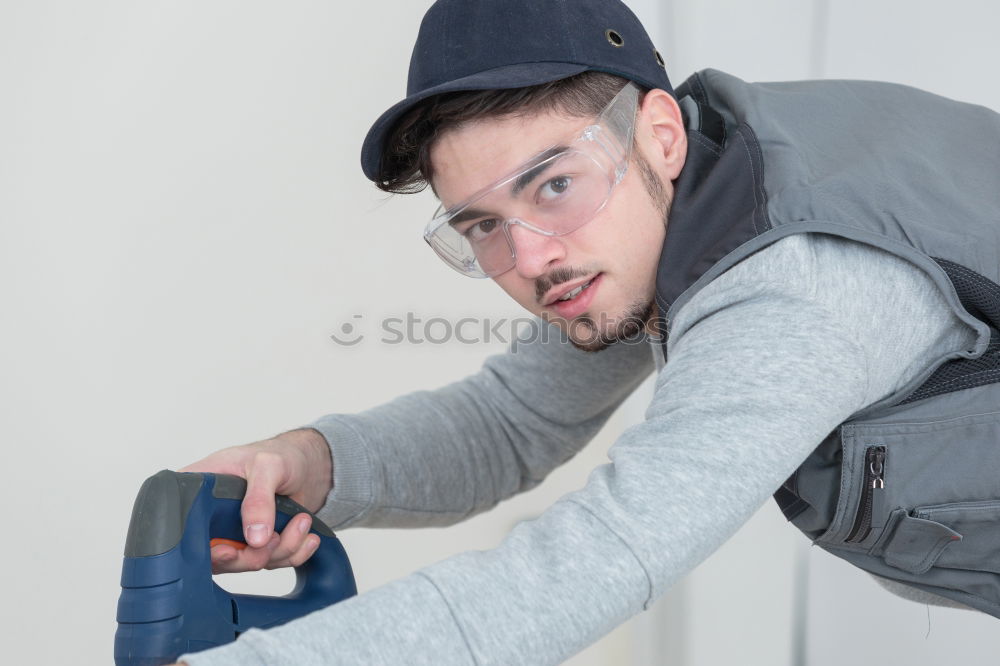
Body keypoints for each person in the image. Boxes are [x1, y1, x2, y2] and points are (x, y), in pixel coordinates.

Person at [174, 0, 1000, 663]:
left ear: (659, 134)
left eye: (553, 184)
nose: (532, 257)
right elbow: (510, 424)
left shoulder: (796, 285)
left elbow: (594, 564)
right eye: (480, 226)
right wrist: (306, 467)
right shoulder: (675, 207)